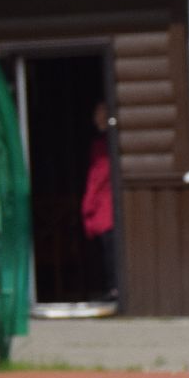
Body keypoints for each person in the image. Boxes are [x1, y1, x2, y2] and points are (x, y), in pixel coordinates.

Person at [82, 100, 116, 301]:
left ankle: (113, 289)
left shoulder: (103, 146)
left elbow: (98, 176)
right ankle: (111, 288)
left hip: (104, 208)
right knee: (106, 250)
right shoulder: (102, 143)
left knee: (109, 252)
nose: (95, 118)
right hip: (104, 207)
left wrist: (88, 204)